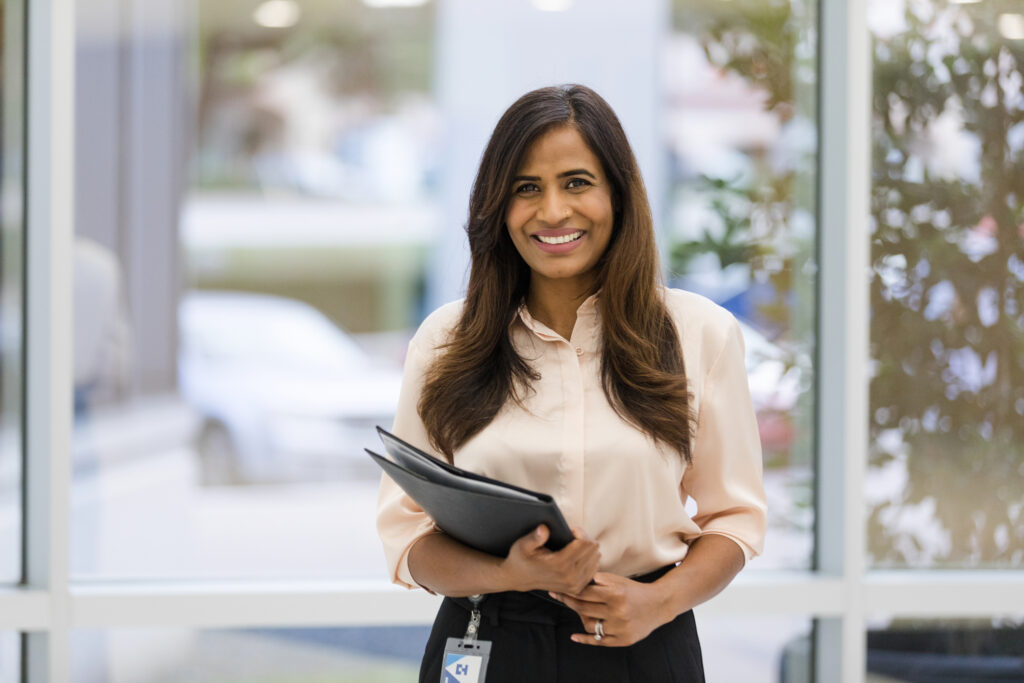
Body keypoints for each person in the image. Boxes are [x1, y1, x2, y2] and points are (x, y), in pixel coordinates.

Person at [376, 84, 767, 682]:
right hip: (486, 643)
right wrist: (512, 574)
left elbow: (735, 519)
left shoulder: (700, 333)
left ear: (618, 194)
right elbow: (409, 540)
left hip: (641, 640)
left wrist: (660, 602)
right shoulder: (446, 340)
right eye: (526, 188)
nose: (553, 211)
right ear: (497, 208)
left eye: (577, 182)